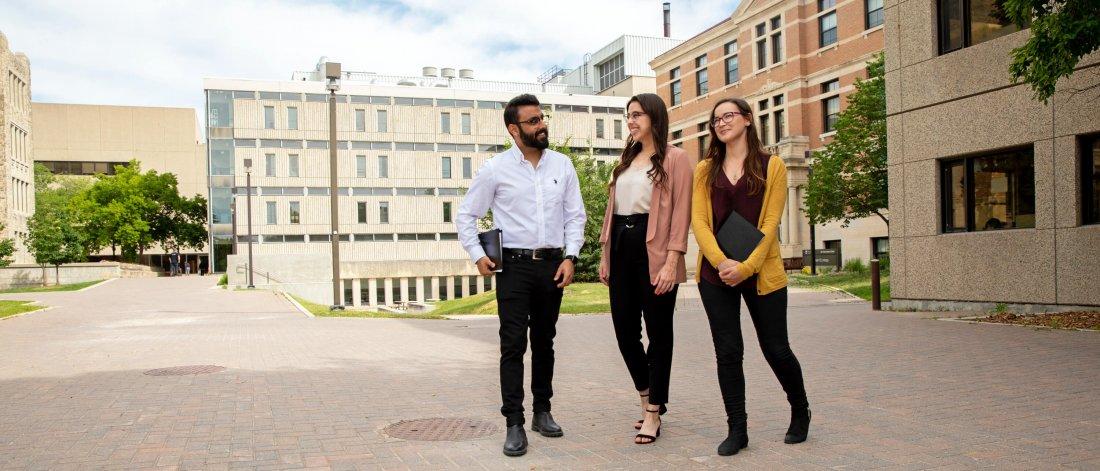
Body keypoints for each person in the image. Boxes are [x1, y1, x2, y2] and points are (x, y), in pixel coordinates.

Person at [456, 93, 586, 457]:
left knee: (545, 342)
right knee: (513, 345)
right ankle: (514, 421)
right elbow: (466, 215)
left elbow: (576, 216)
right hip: (512, 268)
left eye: (542, 118)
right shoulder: (495, 169)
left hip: (551, 265)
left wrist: (571, 257)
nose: (542, 125)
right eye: (533, 121)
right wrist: (478, 255)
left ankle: (542, 412)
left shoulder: (562, 166)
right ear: (514, 129)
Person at [692, 98, 811, 456]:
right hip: (715, 275)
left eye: (728, 116)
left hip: (762, 273)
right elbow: (699, 223)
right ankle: (737, 428)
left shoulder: (770, 165)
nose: (721, 123)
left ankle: (800, 409)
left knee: (776, 348)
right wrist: (722, 262)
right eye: (716, 120)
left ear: (746, 120)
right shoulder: (705, 169)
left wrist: (746, 266)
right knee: (728, 352)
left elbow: (771, 223)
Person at [596, 93, 691, 445]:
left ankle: (653, 412)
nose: (631, 121)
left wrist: (672, 259)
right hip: (621, 245)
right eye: (628, 115)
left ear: (654, 117)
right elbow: (612, 212)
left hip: (655, 250)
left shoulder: (676, 158)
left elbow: (681, 212)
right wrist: (606, 254)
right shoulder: (625, 161)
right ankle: (646, 395)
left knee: (659, 333)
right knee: (625, 332)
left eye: (637, 115)